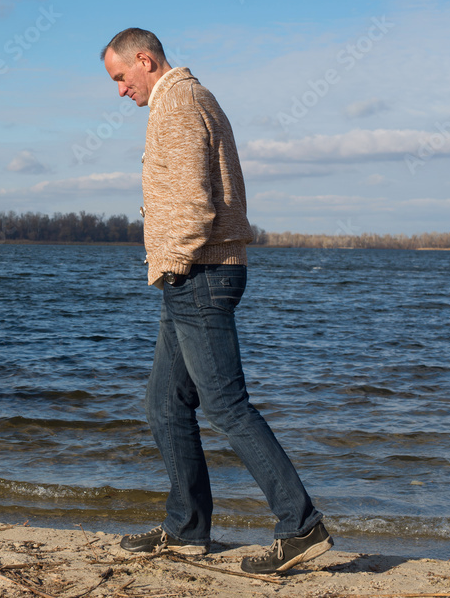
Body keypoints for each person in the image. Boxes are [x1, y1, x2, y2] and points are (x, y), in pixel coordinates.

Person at [99, 28, 333, 574]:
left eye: (119, 78)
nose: (119, 91)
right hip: (197, 273)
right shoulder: (193, 97)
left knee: (226, 405)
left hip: (198, 273)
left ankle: (300, 525)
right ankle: (186, 531)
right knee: (165, 403)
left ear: (144, 60)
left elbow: (195, 203)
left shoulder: (177, 105)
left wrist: (173, 263)